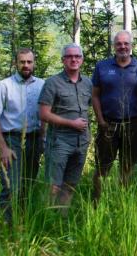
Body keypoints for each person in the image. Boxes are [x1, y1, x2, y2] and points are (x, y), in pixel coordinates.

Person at [0, 48, 45, 222]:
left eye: (29, 62)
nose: (26, 65)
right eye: (22, 62)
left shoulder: (42, 85)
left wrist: (43, 139)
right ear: (16, 63)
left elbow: (45, 114)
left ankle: (20, 223)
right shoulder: (3, 86)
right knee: (11, 186)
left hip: (34, 139)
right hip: (11, 140)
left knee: (28, 185)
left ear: (34, 63)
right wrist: (3, 148)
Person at [91, 31, 137, 201]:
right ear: (114, 46)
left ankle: (123, 201)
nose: (122, 47)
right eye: (119, 44)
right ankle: (96, 202)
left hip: (134, 123)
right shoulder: (102, 66)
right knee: (103, 165)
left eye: (126, 44)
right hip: (108, 124)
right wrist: (100, 120)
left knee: (128, 165)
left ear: (131, 45)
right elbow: (95, 95)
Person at [39, 43, 92, 215]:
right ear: (63, 60)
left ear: (82, 60)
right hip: (59, 141)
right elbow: (44, 114)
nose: (74, 59)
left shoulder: (88, 83)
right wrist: (71, 124)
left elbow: (93, 106)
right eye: (69, 56)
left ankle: (61, 219)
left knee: (70, 184)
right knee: (53, 185)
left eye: (77, 56)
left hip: (81, 142)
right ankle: (45, 220)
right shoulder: (52, 83)